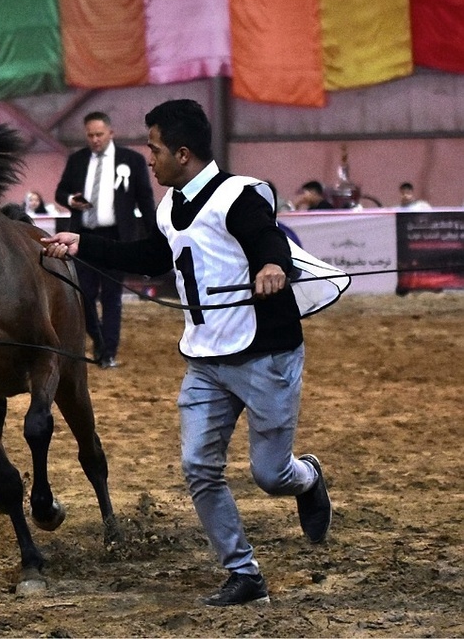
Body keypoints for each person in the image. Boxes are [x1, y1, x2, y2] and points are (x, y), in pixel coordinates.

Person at [41, 99, 332, 607]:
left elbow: (270, 239)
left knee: (270, 475)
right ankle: (244, 574)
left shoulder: (239, 197)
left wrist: (270, 265)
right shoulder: (169, 208)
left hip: (264, 355)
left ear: (182, 152)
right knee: (200, 467)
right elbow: (150, 258)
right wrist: (80, 243)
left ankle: (306, 478)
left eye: (153, 150)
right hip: (205, 360)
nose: (147, 160)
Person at [54, 111, 155, 369]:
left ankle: (108, 352)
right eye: (90, 135)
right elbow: (60, 191)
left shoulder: (131, 161)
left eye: (99, 134)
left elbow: (144, 199)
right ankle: (98, 339)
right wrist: (70, 201)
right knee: (83, 294)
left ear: (111, 133)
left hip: (117, 239)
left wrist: (155, 233)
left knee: (112, 297)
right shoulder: (77, 160)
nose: (95, 139)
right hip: (83, 238)